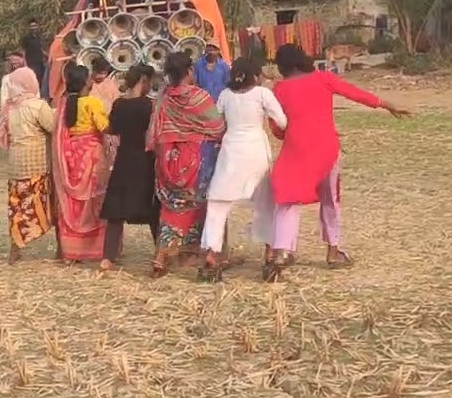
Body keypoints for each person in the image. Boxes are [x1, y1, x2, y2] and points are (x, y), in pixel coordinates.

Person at [263, 44, 409, 281]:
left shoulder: (279, 89)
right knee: (330, 198)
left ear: (282, 66)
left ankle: (281, 250)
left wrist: (288, 134)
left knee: (288, 199)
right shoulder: (324, 79)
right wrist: (385, 104)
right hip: (326, 148)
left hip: (296, 149)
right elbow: (355, 94)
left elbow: (276, 126)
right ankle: (333, 250)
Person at [199, 58, 287, 282]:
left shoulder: (225, 95)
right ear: (255, 76)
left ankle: (211, 255)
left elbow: (215, 123)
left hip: (230, 152)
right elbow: (283, 121)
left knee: (218, 204)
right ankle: (269, 256)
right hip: (256, 150)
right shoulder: (262, 94)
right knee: (265, 203)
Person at [147, 52, 226, 277]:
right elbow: (217, 126)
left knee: (170, 208)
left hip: (167, 158)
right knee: (196, 206)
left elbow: (156, 129)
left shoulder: (163, 97)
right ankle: (193, 254)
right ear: (190, 71)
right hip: (195, 159)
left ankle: (162, 256)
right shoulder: (199, 97)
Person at [98, 64, 160, 271]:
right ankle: (160, 254)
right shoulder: (150, 106)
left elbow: (112, 129)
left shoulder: (119, 105)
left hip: (124, 159)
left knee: (116, 209)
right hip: (145, 159)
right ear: (144, 79)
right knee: (153, 209)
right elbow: (154, 134)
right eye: (149, 80)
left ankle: (107, 258)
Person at [52, 64, 112, 263]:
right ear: (86, 82)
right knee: (93, 201)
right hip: (91, 156)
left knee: (74, 202)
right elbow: (104, 127)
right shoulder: (92, 103)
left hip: (72, 158)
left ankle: (71, 250)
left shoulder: (64, 104)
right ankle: (94, 248)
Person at [0, 66, 57, 264]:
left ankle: (15, 247)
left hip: (16, 166)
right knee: (44, 206)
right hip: (37, 165)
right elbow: (53, 127)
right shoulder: (37, 106)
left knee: (17, 207)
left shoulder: (11, 108)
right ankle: (62, 247)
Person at [0, 51, 27, 145]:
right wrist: (3, 114)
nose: (15, 63)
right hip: (12, 109)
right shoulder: (7, 78)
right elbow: (4, 97)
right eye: (12, 61)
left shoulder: (29, 75)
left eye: (17, 60)